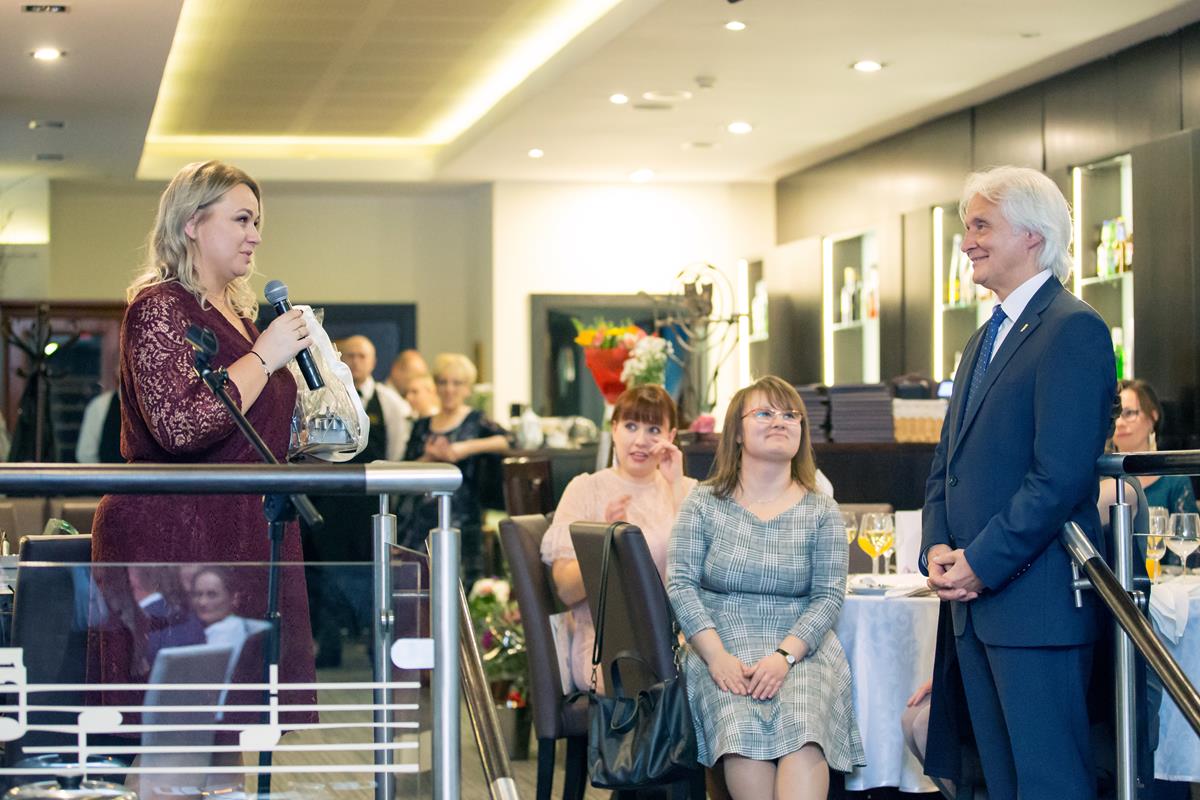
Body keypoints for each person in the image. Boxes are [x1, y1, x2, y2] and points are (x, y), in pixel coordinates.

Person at [89, 159, 317, 719]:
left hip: (242, 532)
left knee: (230, 729)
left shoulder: (240, 317)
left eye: (257, 222)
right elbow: (180, 425)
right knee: (179, 728)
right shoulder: (159, 308)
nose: (255, 235)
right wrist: (264, 356)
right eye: (241, 219)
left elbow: (249, 427)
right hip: (176, 540)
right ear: (191, 222)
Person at [921, 166, 1116, 799]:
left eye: (981, 225)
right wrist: (937, 547)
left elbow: (1058, 478)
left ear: (1033, 234)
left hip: (1036, 606)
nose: (967, 242)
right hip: (974, 605)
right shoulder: (983, 337)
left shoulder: (1073, 328)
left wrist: (980, 562)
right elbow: (946, 464)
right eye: (966, 227)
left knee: (1050, 783)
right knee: (1000, 785)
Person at [667, 375, 864, 800]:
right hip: (721, 645)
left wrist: (784, 657)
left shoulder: (822, 509)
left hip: (801, 649)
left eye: (790, 415)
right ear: (737, 432)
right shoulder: (703, 502)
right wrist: (716, 657)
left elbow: (828, 596)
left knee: (805, 728)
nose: (779, 421)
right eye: (764, 413)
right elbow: (681, 585)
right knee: (740, 727)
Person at [540, 384, 694, 691]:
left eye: (654, 429)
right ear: (614, 429)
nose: (640, 440)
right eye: (631, 426)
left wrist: (676, 486)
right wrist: (605, 542)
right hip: (609, 646)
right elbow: (566, 590)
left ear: (671, 436)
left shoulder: (688, 489)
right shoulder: (585, 490)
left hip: (682, 639)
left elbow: (704, 576)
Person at [301, 334, 410, 666]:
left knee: (373, 576)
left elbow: (396, 449)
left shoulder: (389, 402)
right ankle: (329, 648)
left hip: (370, 504)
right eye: (350, 355)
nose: (356, 361)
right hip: (331, 503)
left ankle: (376, 648)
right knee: (327, 576)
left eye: (363, 356)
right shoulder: (323, 395)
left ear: (374, 361)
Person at [401, 352, 508, 585]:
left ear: (467, 388)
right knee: (418, 584)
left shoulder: (476, 420)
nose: (449, 389)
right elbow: (405, 469)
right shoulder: (422, 425)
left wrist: (465, 448)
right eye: (443, 382)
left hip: (462, 517)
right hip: (421, 518)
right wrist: (430, 457)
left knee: (459, 585)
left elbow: (507, 441)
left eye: (457, 383)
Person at [1098, 378, 1198, 526]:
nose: (1120, 423)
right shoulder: (1099, 479)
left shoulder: (1174, 479)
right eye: (1115, 416)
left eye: (1129, 413)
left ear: (1153, 416)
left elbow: (1189, 534)